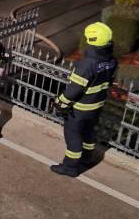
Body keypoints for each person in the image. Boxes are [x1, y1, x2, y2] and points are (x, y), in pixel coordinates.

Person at [50, 21, 117, 177]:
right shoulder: (111, 60)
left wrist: (60, 102)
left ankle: (70, 167)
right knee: (88, 133)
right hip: (96, 106)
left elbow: (74, 90)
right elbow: (108, 81)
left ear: (91, 40)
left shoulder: (86, 64)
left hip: (80, 109)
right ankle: (86, 159)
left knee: (73, 135)